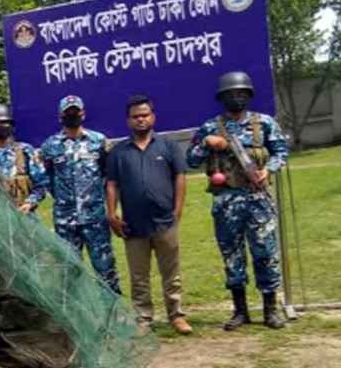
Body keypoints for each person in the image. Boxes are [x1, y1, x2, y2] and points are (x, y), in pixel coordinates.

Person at [188, 71, 290, 330]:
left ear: (249, 95)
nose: (237, 97)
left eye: (242, 93)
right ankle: (240, 311)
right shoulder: (211, 127)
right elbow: (191, 159)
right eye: (232, 94)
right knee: (232, 256)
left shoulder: (264, 123)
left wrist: (270, 169)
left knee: (266, 254)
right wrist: (206, 144)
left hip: (258, 199)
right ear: (222, 98)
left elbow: (281, 151)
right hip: (226, 201)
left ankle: (270, 310)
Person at [105, 95, 192, 335]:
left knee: (171, 274)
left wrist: (177, 211)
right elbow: (112, 184)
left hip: (165, 222)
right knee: (139, 277)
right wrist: (112, 214)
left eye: (144, 115)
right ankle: (143, 319)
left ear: (152, 117)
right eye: (135, 117)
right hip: (133, 225)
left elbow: (180, 177)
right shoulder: (118, 152)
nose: (140, 120)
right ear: (128, 121)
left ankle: (177, 315)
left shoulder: (168, 146)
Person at [39, 95, 121, 293]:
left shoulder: (98, 141)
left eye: (75, 111)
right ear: (60, 116)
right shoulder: (50, 145)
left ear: (83, 113)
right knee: (69, 273)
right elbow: (48, 177)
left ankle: (114, 316)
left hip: (95, 219)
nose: (72, 115)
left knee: (106, 271)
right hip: (65, 221)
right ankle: (77, 319)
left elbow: (108, 176)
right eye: (68, 112)